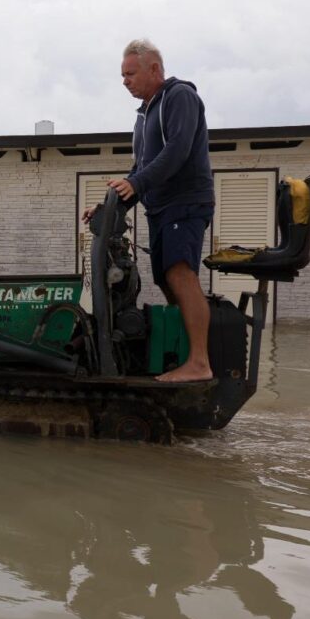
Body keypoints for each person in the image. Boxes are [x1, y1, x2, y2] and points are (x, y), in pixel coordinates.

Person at [89, 39, 215, 382]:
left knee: (179, 272)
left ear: (154, 69)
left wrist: (139, 183)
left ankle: (200, 362)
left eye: (130, 73)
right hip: (160, 209)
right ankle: (184, 352)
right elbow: (139, 170)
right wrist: (109, 208)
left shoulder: (179, 97)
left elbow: (177, 150)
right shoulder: (144, 116)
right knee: (164, 276)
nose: (125, 81)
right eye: (122, 75)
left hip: (185, 203)